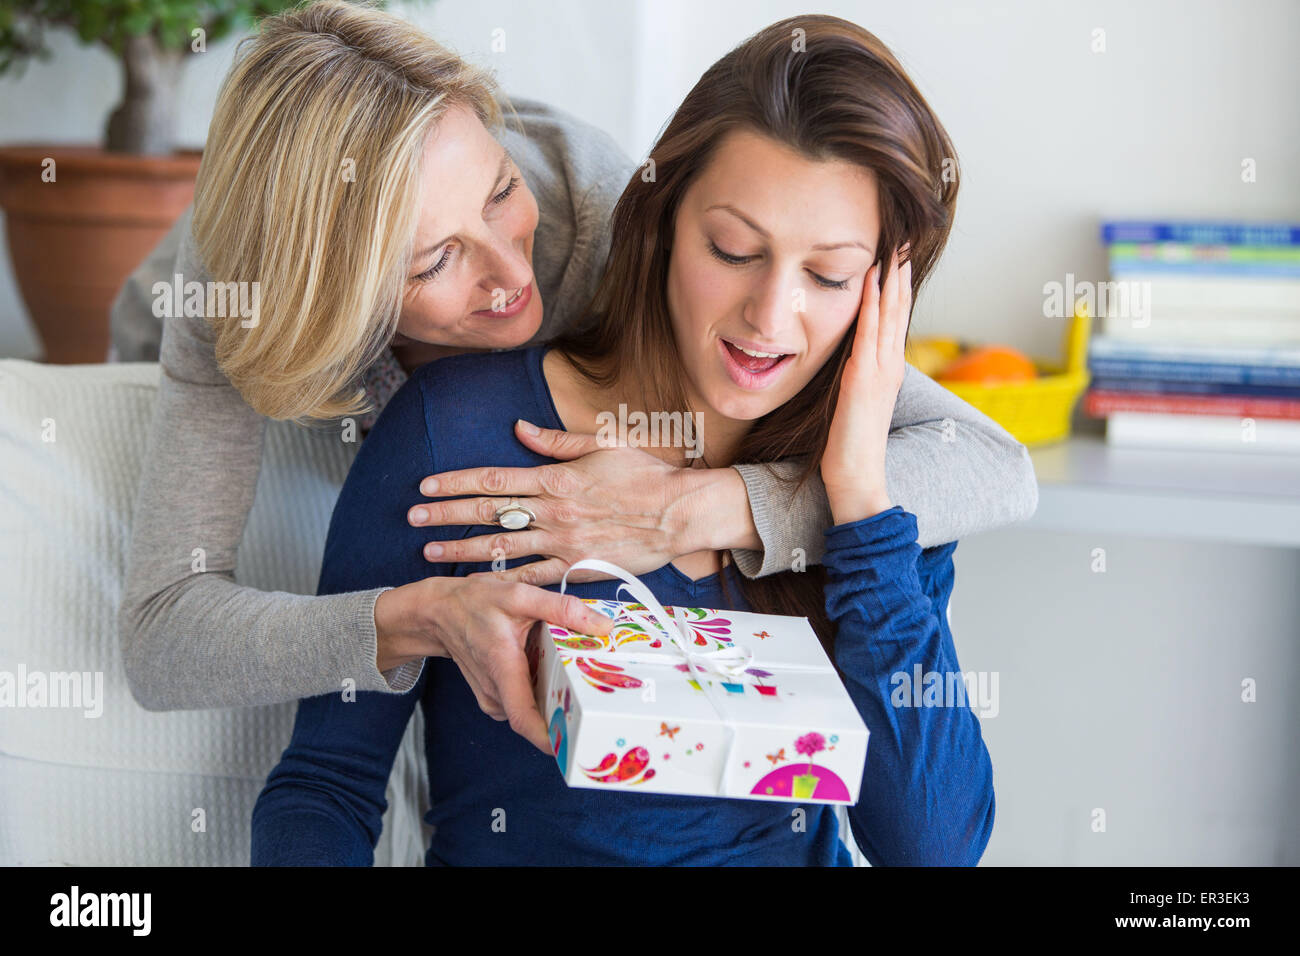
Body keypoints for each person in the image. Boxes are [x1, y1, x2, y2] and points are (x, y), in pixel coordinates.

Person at [112, 1, 1035, 756]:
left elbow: (992, 465)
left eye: (499, 193)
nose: (516, 280)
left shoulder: (598, 212)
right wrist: (414, 616)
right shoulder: (234, 301)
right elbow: (161, 638)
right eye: (437, 260)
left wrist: (706, 507)